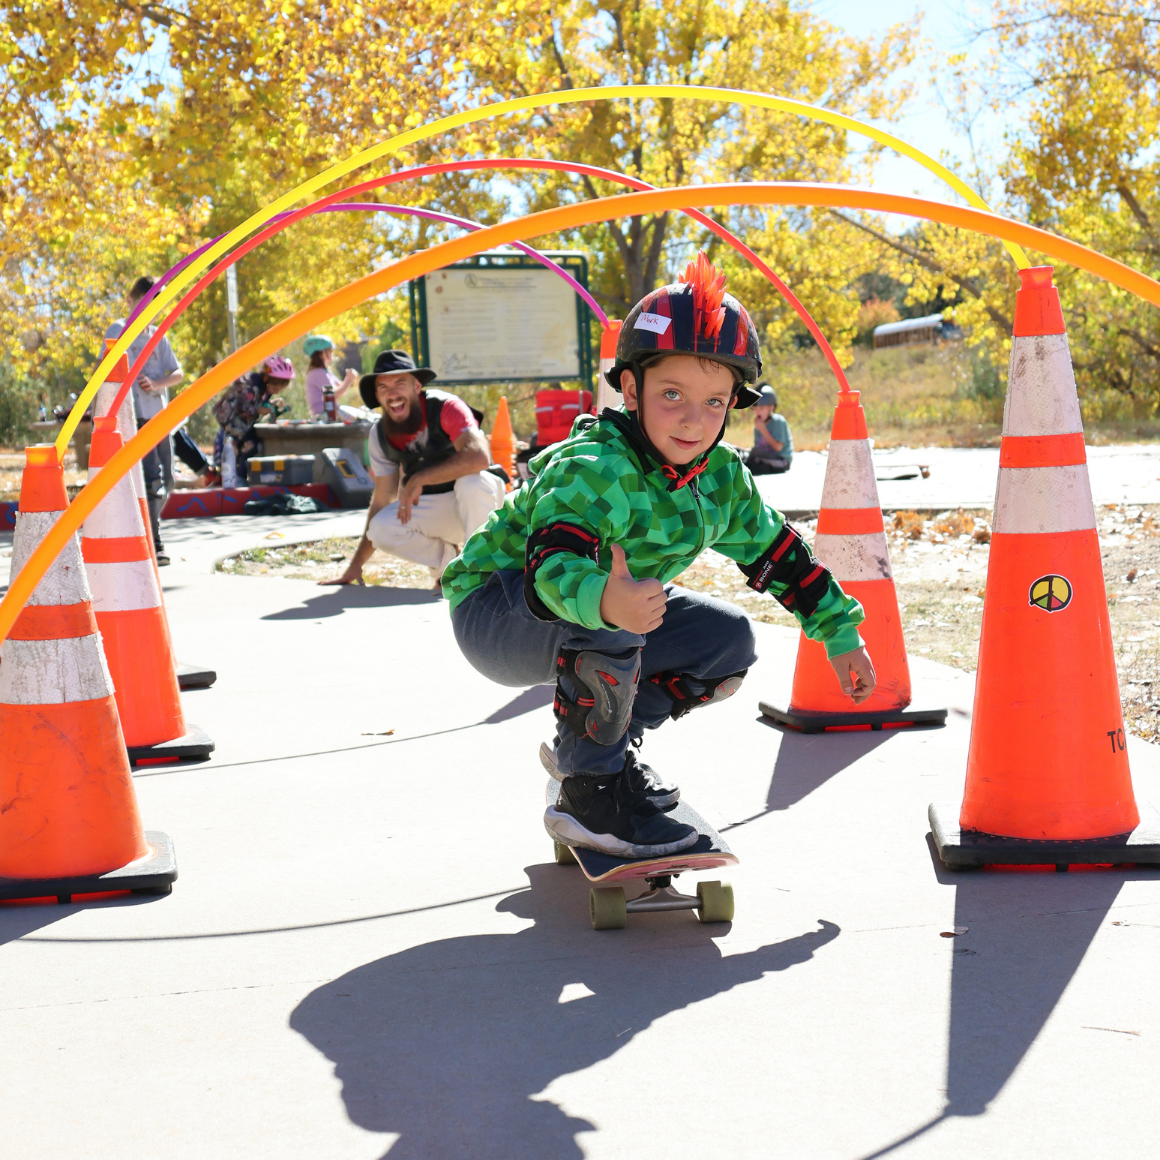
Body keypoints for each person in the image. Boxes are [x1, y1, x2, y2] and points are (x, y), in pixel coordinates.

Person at [442, 253, 876, 858]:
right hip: (499, 607)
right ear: (630, 388)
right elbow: (553, 568)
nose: (693, 421)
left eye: (715, 402)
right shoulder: (594, 467)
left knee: (726, 643)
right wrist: (604, 599)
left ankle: (595, 754)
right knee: (628, 609)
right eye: (672, 394)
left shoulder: (718, 478)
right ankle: (594, 795)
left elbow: (782, 555)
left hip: (601, 609)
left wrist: (838, 633)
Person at [322, 350, 505, 589]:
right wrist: (356, 565)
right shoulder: (379, 434)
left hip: (482, 503)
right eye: (384, 388)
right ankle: (449, 565)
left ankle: (482, 574)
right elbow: (380, 501)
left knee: (471, 483)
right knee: (379, 528)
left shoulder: (446, 407)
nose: (393, 393)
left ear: (417, 386)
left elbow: (480, 457)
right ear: (377, 396)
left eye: (400, 383)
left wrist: (419, 477)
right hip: (437, 510)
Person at [104, 276, 184, 564]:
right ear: (131, 300)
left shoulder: (158, 336)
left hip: (158, 416)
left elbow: (178, 373)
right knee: (153, 479)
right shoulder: (119, 330)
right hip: (135, 418)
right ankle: (154, 540)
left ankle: (149, 531)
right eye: (146, 303)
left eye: (156, 305)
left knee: (169, 478)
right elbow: (106, 368)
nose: (151, 310)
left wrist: (157, 382)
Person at [211, 355, 295, 486]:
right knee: (247, 446)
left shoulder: (264, 388)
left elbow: (257, 403)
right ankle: (237, 479)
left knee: (254, 445)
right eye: (275, 387)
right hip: (231, 421)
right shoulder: (249, 385)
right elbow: (242, 407)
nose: (277, 390)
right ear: (266, 378)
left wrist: (271, 405)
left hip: (243, 424)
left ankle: (241, 477)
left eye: (282, 387)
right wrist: (260, 410)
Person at [303, 335, 358, 418]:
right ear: (320, 353)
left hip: (331, 412)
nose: (332, 353)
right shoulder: (317, 373)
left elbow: (341, 388)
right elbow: (333, 395)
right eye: (329, 350)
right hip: (324, 415)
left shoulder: (325, 371)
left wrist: (348, 378)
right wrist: (349, 380)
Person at [748, 384, 794, 474]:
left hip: (782, 461)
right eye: (755, 409)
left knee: (754, 454)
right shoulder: (758, 426)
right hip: (766, 459)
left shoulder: (778, 421)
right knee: (742, 453)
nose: (758, 412)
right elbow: (759, 448)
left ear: (771, 408)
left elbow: (778, 448)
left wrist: (763, 430)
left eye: (761, 408)